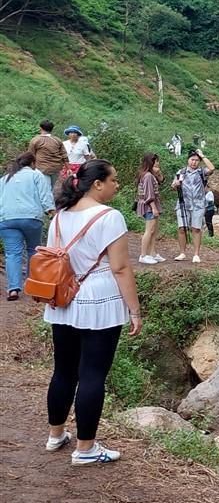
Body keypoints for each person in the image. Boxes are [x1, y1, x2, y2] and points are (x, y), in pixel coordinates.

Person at [44, 159, 142, 465]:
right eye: (113, 180)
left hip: (63, 298)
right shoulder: (109, 217)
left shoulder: (59, 217)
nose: (117, 185)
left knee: (63, 371)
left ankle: (55, 434)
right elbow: (121, 268)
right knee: (92, 374)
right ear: (97, 184)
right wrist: (135, 311)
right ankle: (85, 448)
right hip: (99, 299)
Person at [0, 152, 55, 300]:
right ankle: (32, 286)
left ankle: (13, 290)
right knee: (33, 250)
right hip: (31, 218)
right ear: (32, 163)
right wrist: (51, 211)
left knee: (12, 254)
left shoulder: (5, 179)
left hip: (7, 219)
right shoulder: (36, 175)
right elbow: (45, 195)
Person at [172, 149, 214, 263]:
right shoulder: (181, 172)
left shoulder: (201, 172)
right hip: (183, 204)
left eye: (196, 160)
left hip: (198, 205)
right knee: (182, 228)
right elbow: (173, 186)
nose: (194, 162)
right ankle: (182, 253)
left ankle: (196, 254)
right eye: (192, 159)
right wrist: (175, 184)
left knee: (196, 229)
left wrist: (203, 156)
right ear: (188, 160)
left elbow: (212, 169)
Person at [134, 153, 165, 265]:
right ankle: (143, 255)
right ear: (150, 162)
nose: (157, 164)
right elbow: (148, 194)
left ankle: (152, 253)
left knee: (154, 230)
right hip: (149, 206)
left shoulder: (151, 175)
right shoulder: (147, 176)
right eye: (156, 161)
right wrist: (153, 208)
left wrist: (158, 172)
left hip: (152, 205)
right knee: (149, 230)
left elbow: (161, 181)